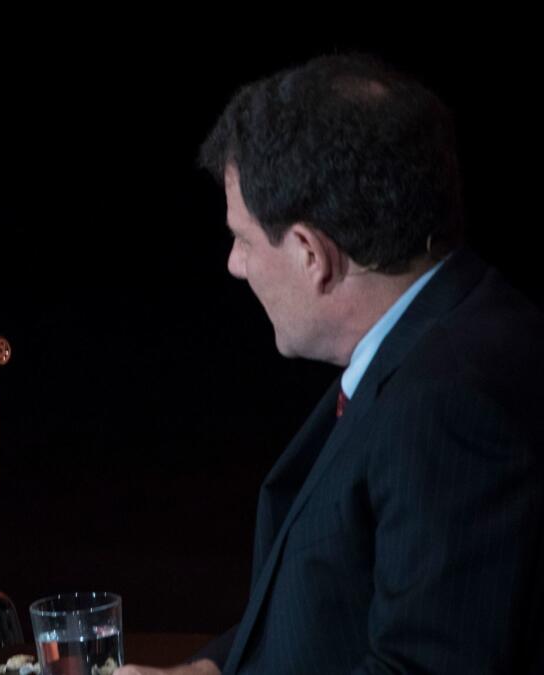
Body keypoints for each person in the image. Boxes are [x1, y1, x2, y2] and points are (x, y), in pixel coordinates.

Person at [118, 54, 543, 674]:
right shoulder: (444, 330)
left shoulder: (449, 404)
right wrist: (209, 670)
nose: (235, 264)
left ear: (311, 253)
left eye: (241, 237)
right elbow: (333, 601)